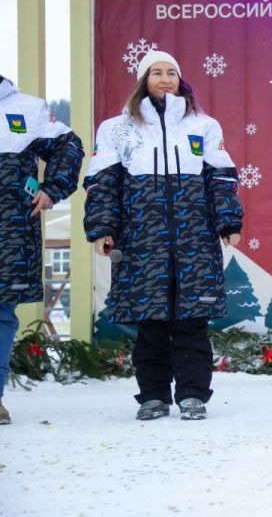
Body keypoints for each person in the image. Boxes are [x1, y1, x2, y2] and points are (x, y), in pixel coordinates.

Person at [84, 51, 243, 421]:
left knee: (192, 321)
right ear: (143, 80)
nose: (165, 78)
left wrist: (229, 223)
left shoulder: (204, 126)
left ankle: (193, 396)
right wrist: (101, 228)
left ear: (180, 80)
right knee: (150, 323)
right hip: (141, 242)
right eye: (156, 72)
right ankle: (153, 397)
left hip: (194, 241)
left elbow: (221, 178)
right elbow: (102, 183)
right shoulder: (116, 128)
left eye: (172, 72)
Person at [0, 74, 84, 425]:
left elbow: (69, 146)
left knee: (1, 313)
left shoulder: (26, 108)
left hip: (10, 233)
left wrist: (52, 189)